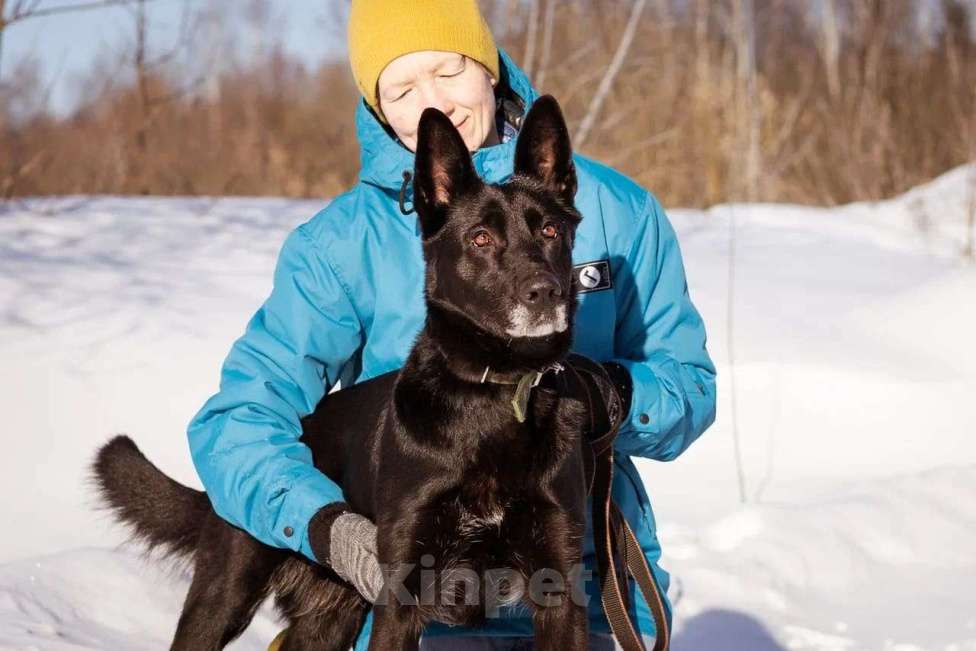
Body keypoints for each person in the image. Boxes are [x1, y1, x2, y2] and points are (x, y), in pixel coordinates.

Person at [186, 1, 717, 649]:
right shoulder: (340, 243)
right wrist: (325, 525)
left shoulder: (616, 212)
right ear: (379, 108)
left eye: (449, 69)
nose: (434, 99)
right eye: (402, 88)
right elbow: (240, 422)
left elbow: (690, 386)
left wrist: (615, 395)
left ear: (488, 68)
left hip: (581, 591)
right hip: (417, 604)